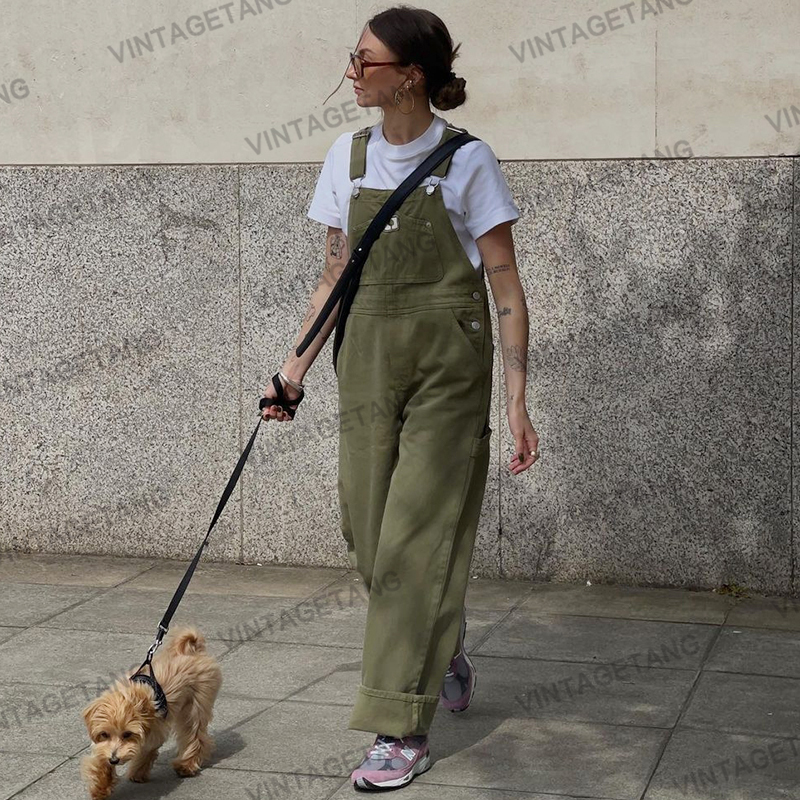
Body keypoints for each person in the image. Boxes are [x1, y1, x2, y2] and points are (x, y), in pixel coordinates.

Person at [260, 5, 540, 792]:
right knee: (367, 527)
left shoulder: (468, 161)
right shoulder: (345, 159)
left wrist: (517, 399)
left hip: (449, 369)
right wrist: (291, 373)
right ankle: (437, 637)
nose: (350, 72)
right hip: (368, 362)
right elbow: (333, 278)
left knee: (415, 543)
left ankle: (399, 728)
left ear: (409, 76)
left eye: (364, 60)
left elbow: (506, 287)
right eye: (353, 58)